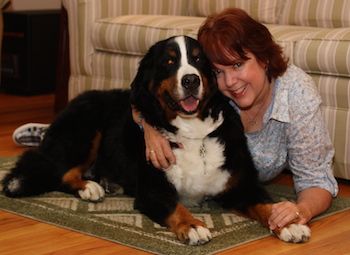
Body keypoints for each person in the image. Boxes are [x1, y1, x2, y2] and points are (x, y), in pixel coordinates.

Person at [132, 8, 338, 231]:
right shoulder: (211, 93)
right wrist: (148, 127)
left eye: (238, 64)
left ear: (264, 58)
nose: (230, 81)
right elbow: (140, 94)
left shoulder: (296, 94)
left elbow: (316, 179)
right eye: (219, 71)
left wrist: (302, 210)